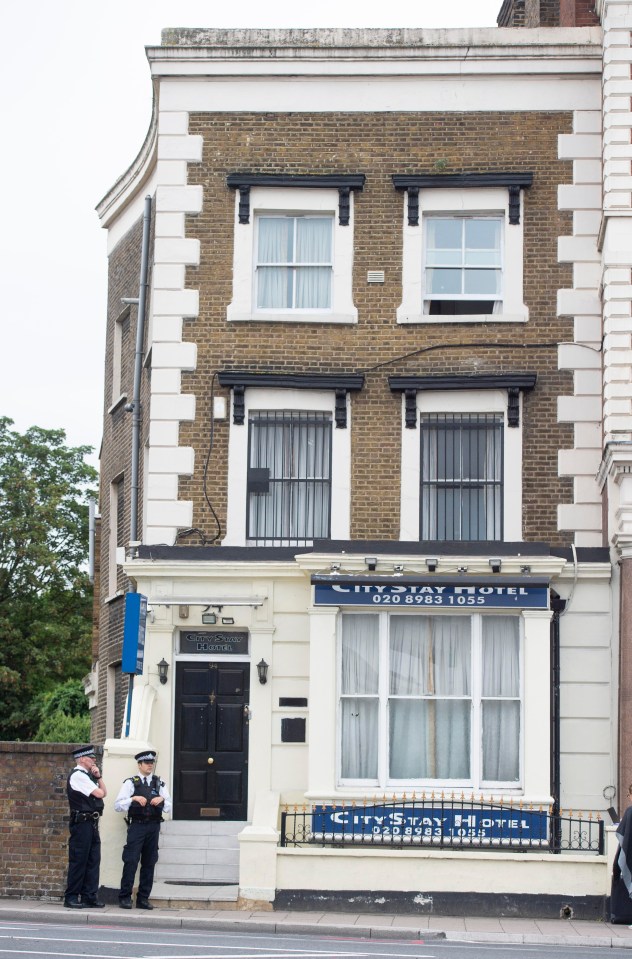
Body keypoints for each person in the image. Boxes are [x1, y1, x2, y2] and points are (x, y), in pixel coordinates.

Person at [114, 749, 172, 910]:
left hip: (153, 826)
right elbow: (117, 805)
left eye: (152, 763)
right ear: (139, 765)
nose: (150, 765)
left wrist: (162, 799)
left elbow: (169, 806)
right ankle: (125, 897)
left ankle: (143, 898)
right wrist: (133, 798)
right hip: (137, 826)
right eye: (147, 763)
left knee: (149, 862)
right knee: (131, 860)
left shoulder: (159, 783)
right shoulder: (130, 783)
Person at [64, 744, 107, 909]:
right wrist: (96, 779)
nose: (94, 760)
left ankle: (89, 896)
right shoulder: (78, 776)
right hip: (81, 823)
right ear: (82, 759)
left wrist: (99, 776)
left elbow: (105, 792)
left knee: (93, 860)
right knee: (79, 860)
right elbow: (100, 794)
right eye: (91, 758)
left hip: (91, 823)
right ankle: (72, 896)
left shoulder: (89, 776)